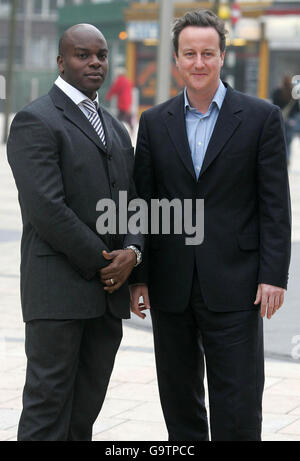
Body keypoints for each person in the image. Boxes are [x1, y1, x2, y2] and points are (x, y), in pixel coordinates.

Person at [130, 10, 291, 441]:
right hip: (171, 285)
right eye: (189, 54)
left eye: (207, 53)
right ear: (177, 61)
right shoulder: (153, 122)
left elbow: (275, 205)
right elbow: (141, 206)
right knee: (179, 399)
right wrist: (139, 277)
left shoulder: (261, 118)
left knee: (237, 401)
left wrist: (273, 276)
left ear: (222, 55)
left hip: (237, 284)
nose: (198, 62)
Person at [7, 24, 143, 441]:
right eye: (83, 55)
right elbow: (47, 210)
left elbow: (136, 203)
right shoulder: (35, 120)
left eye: (101, 55)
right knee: (47, 411)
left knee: (83, 415)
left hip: (106, 300)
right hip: (59, 295)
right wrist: (107, 263)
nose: (95, 63)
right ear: (61, 61)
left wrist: (134, 253)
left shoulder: (115, 127)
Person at [272, 74, 300, 165]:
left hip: (280, 119)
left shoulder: (277, 92)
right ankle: (287, 158)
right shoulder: (294, 93)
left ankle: (282, 158)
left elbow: (274, 106)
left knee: (280, 141)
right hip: (291, 121)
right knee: (288, 142)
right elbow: (296, 109)